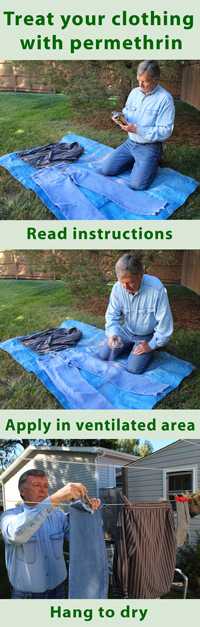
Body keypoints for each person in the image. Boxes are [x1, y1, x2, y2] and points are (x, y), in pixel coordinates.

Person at [0, 468, 100, 599]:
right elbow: (17, 535)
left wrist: (85, 511)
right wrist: (56, 498)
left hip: (58, 590)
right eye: (36, 485)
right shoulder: (9, 516)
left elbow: (77, 537)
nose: (43, 490)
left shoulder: (57, 514)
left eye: (46, 486)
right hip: (27, 597)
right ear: (22, 491)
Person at [98, 60, 175, 190]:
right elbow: (127, 111)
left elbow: (166, 131)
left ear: (155, 79)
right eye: (139, 80)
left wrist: (138, 129)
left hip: (150, 146)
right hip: (131, 143)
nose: (141, 85)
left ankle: (153, 161)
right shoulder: (134, 92)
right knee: (106, 170)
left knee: (137, 185)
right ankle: (139, 163)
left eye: (145, 81)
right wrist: (121, 118)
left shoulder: (165, 99)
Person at [99, 253, 173, 374]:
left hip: (146, 336)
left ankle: (140, 349)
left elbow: (165, 326)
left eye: (131, 282)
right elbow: (112, 316)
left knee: (134, 368)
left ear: (141, 275)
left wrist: (151, 345)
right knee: (104, 355)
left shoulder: (156, 289)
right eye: (122, 282)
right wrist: (113, 334)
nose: (126, 287)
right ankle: (128, 345)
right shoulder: (118, 288)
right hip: (126, 331)